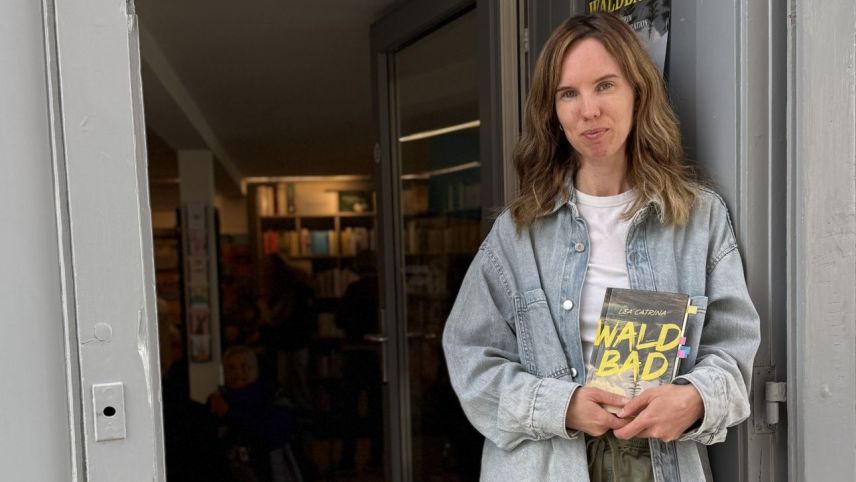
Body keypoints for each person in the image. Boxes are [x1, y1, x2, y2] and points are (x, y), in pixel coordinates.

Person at [442, 12, 759, 482]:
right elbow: (469, 360)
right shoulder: (517, 233)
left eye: (605, 85)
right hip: (546, 465)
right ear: (553, 110)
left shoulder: (699, 218)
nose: (588, 109)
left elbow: (734, 356)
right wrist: (562, 405)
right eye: (568, 93)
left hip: (661, 464)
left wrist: (693, 398)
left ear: (637, 91)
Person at [208, 346, 300, 481]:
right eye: (231, 368)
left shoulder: (274, 399)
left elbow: (272, 435)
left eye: (244, 366)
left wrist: (230, 414)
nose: (238, 373)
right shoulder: (218, 401)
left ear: (255, 369)